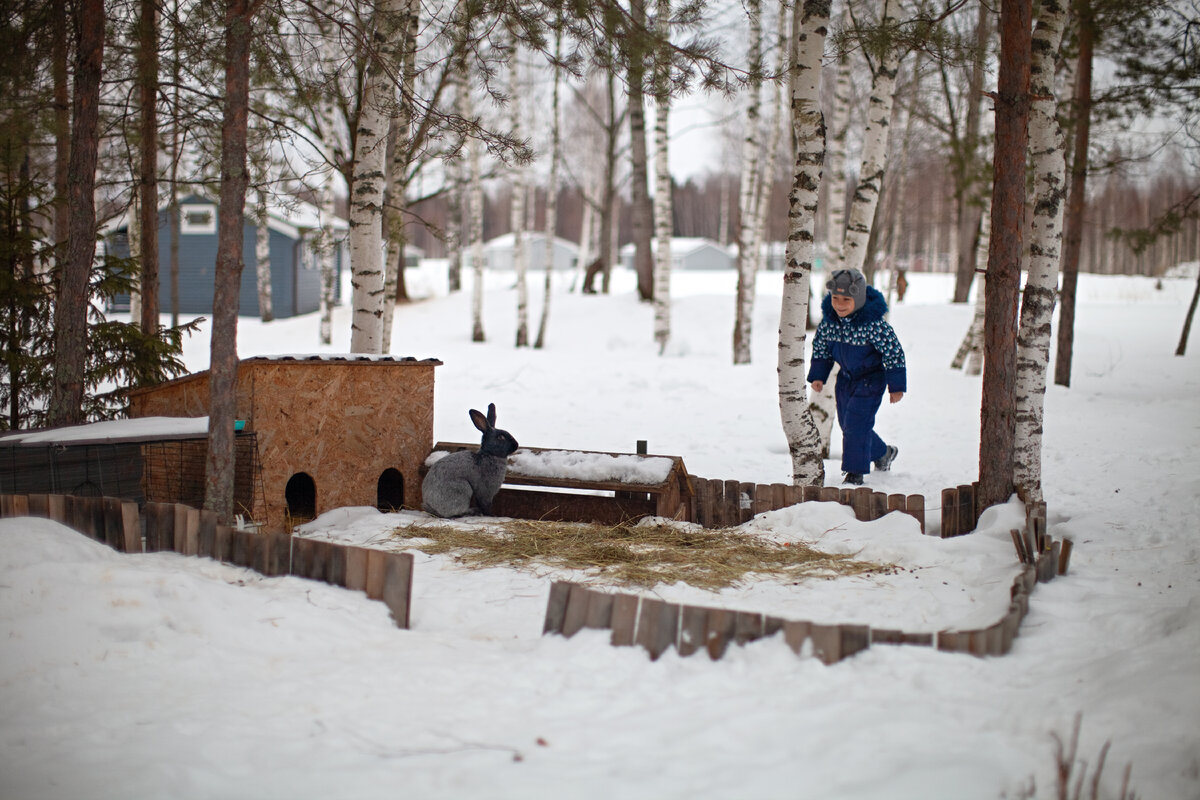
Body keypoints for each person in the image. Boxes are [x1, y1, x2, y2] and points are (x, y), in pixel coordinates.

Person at [808, 268, 906, 485]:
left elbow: (893, 351)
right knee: (849, 425)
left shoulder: (873, 325)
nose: (840, 304)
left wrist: (896, 384)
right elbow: (821, 349)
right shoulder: (830, 323)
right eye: (835, 298)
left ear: (859, 298)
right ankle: (883, 453)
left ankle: (854, 474)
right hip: (845, 380)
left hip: (871, 380)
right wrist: (818, 375)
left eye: (846, 299)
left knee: (855, 425)